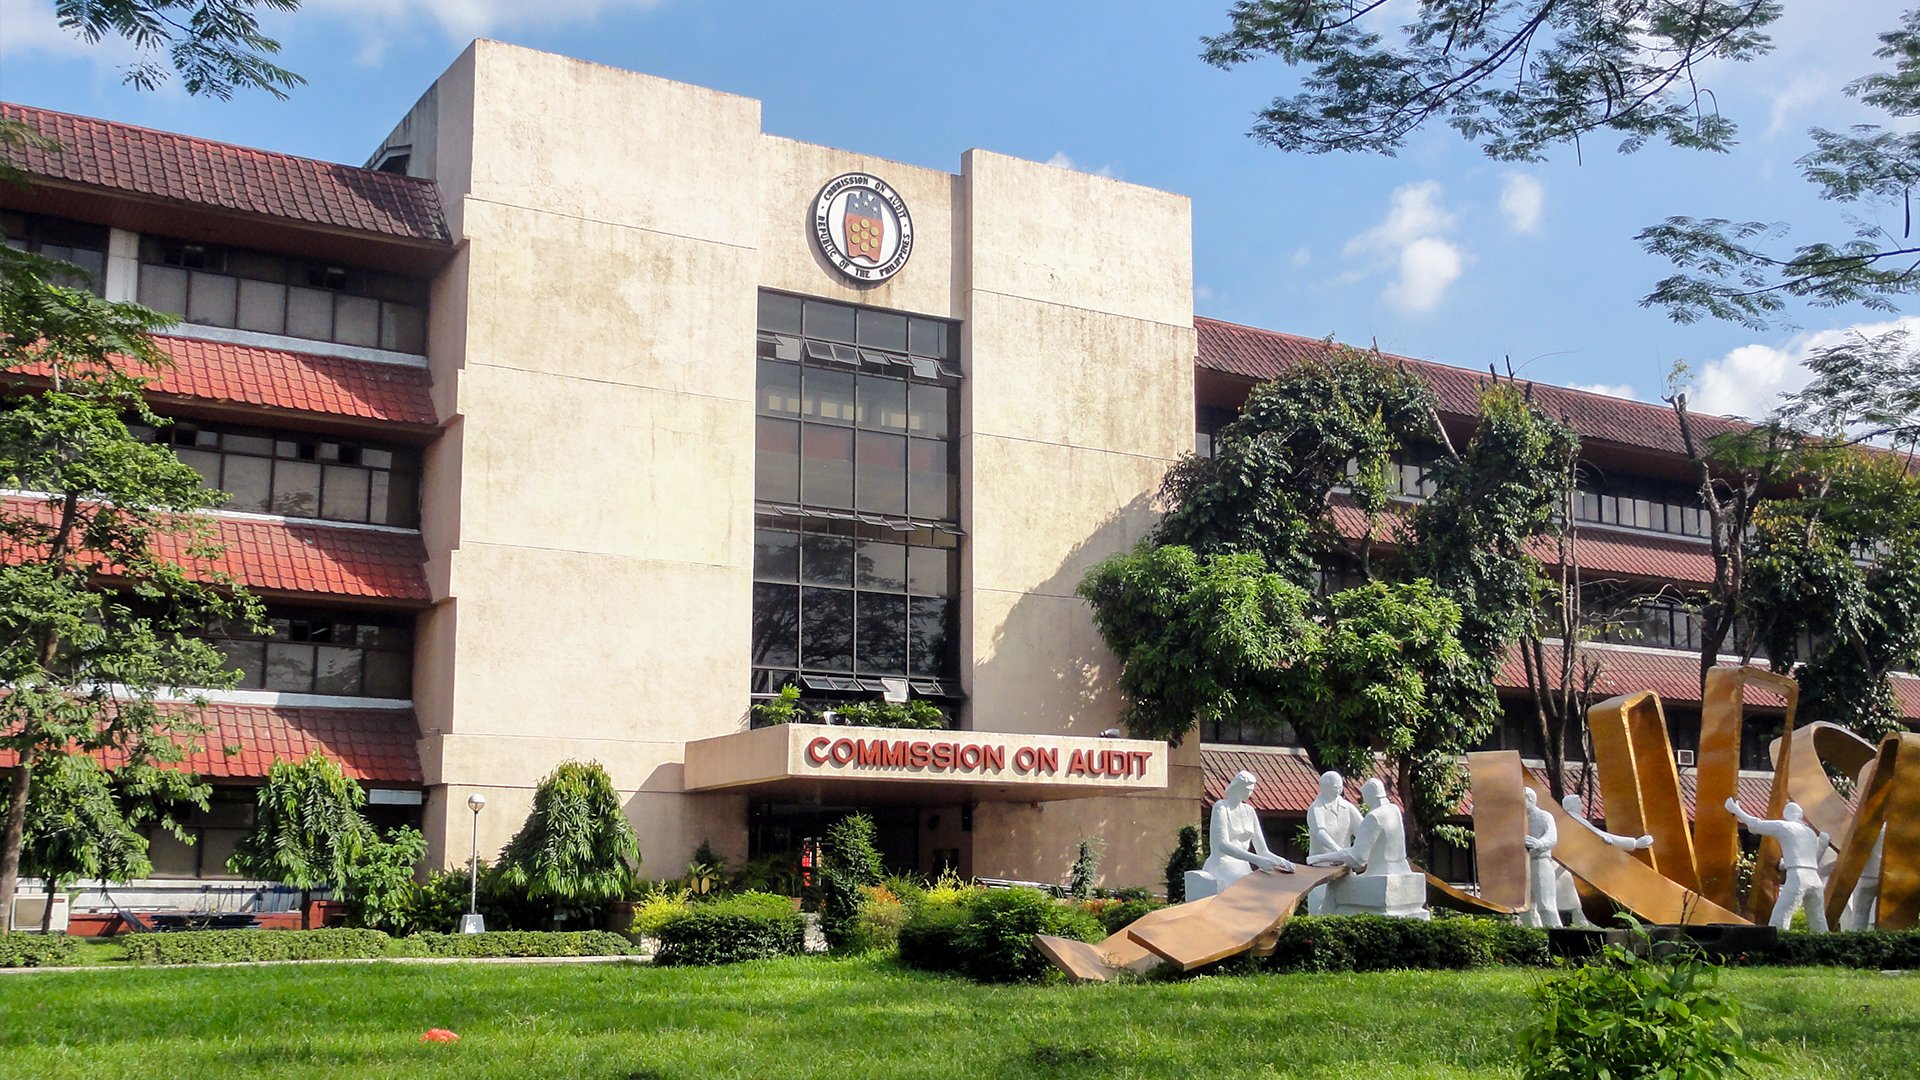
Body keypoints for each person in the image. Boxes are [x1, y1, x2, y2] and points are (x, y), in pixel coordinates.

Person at [1726, 797, 1831, 932]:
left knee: (1781, 916)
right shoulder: (1810, 833)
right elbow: (1810, 858)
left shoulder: (1785, 827)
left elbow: (1756, 824)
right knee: (1818, 920)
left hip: (1798, 876)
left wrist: (1736, 810)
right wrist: (1785, 864)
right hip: (1814, 877)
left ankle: (1777, 948)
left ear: (1786, 815)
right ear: (1800, 815)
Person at [1200, 770, 1294, 891]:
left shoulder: (1249, 811)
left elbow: (1263, 851)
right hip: (1223, 864)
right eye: (1246, 789)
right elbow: (1222, 845)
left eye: (1251, 790)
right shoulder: (1221, 807)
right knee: (1243, 888)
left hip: (1243, 866)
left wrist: (1281, 861)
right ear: (1237, 787)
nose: (1249, 793)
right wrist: (1257, 860)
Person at [1308, 778, 1411, 877]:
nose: (1363, 799)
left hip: (1379, 872)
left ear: (1370, 796)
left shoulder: (1373, 816)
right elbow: (1319, 833)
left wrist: (1318, 858)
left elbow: (1357, 857)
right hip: (1400, 868)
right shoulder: (1394, 809)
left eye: (1364, 796)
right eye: (1336, 787)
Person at [1305, 770, 1360, 915]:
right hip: (1320, 869)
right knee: (1319, 908)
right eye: (1335, 787)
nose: (1338, 790)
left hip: (1344, 868)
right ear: (1323, 787)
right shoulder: (1316, 809)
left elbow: (1363, 830)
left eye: (1340, 787)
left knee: (1350, 907)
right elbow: (1320, 833)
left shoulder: (1347, 807)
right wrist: (1337, 850)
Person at [1521, 789, 1561, 928]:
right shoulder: (1519, 820)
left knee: (1546, 905)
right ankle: (1535, 937)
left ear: (1530, 799)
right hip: (1524, 866)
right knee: (1525, 907)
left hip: (1540, 862)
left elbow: (1552, 837)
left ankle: (1557, 938)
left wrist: (1539, 843)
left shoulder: (1544, 816)